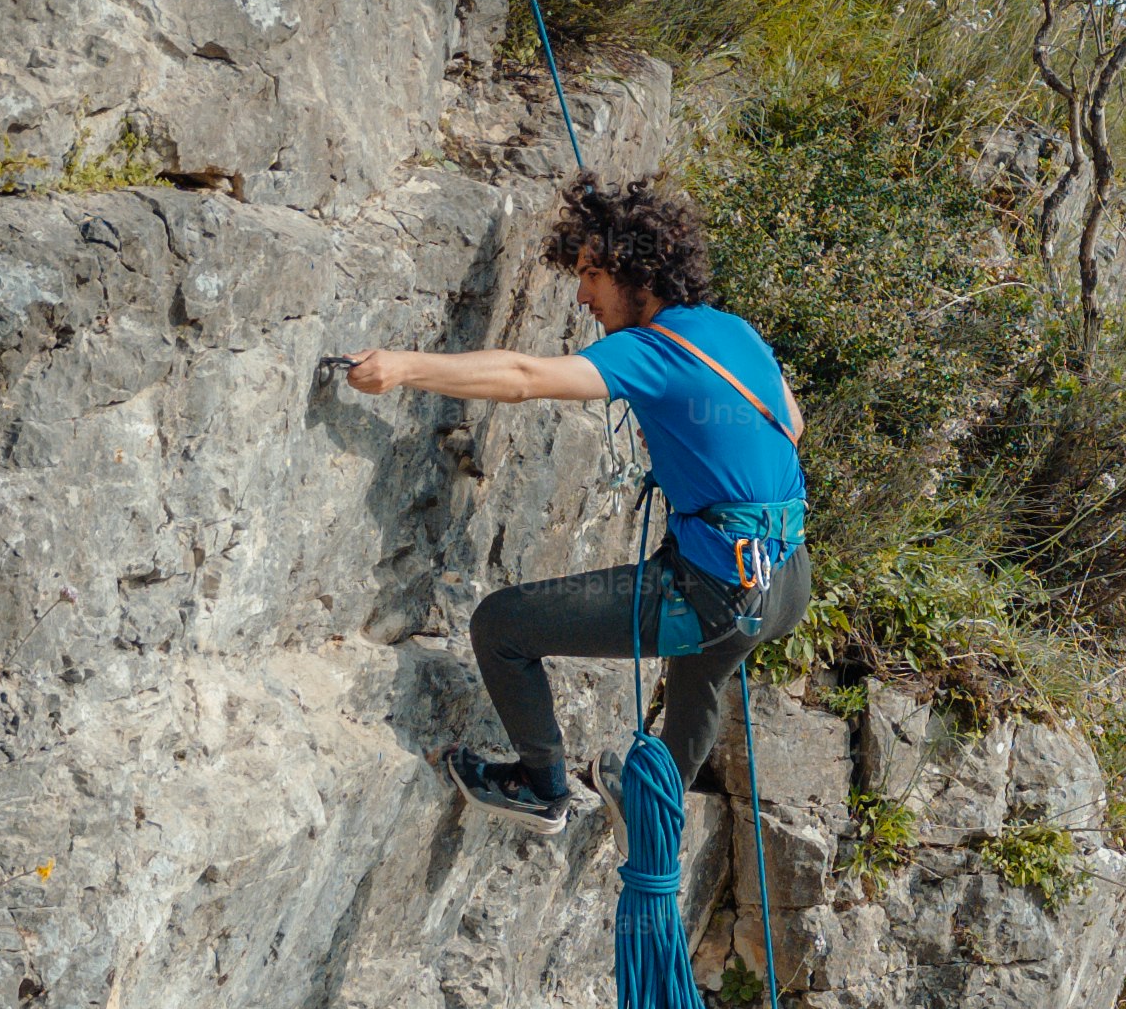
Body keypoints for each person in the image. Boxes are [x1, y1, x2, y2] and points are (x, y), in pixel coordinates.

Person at [338, 176, 812, 831]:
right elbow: (792, 420)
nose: (583, 295)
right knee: (700, 672)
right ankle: (652, 807)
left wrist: (403, 368)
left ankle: (539, 785)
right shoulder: (736, 332)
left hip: (715, 592)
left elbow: (524, 379)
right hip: (786, 582)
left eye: (592, 274)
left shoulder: (653, 352)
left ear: (637, 271)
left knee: (502, 627)